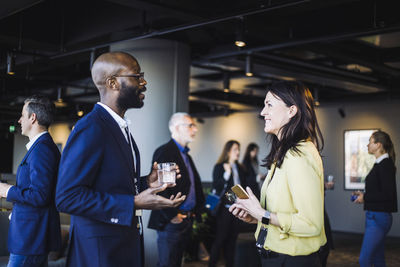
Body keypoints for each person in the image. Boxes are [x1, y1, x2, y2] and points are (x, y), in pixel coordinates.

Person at [55, 52, 186, 267]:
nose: (144, 83)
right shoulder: (91, 128)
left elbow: (112, 185)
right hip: (100, 253)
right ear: (113, 83)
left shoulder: (118, 126)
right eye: (137, 76)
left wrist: (146, 183)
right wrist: (133, 202)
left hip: (121, 247)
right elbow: (67, 197)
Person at [229, 81, 325, 267]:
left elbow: (311, 224)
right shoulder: (284, 153)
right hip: (275, 257)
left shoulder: (299, 155)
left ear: (291, 111)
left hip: (292, 261)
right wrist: (255, 216)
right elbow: (281, 213)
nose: (262, 112)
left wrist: (261, 213)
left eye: (269, 105)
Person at [0, 95, 61, 267]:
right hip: (30, 238)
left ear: (32, 118)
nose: (19, 120)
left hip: (30, 240)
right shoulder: (42, 147)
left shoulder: (42, 150)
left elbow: (40, 195)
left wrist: (7, 191)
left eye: (22, 115)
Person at [148, 112, 205, 267]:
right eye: (191, 125)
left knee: (177, 263)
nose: (195, 129)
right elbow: (160, 187)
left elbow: (194, 185)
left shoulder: (186, 155)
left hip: (186, 220)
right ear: (177, 128)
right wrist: (173, 215)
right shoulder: (166, 152)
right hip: (171, 222)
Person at [353, 130, 397, 267]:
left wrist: (365, 197)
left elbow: (388, 194)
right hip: (376, 216)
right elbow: (380, 190)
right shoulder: (381, 164)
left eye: (370, 142)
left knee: (364, 259)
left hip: (378, 217)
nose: (367, 145)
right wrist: (364, 195)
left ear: (378, 145)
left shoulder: (385, 165)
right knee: (378, 258)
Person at [208, 140, 247, 267]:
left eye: (239, 149)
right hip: (224, 210)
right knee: (220, 239)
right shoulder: (219, 167)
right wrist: (227, 174)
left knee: (232, 241)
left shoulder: (240, 168)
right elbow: (217, 188)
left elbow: (243, 187)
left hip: (238, 209)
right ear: (228, 151)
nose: (238, 152)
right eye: (235, 149)